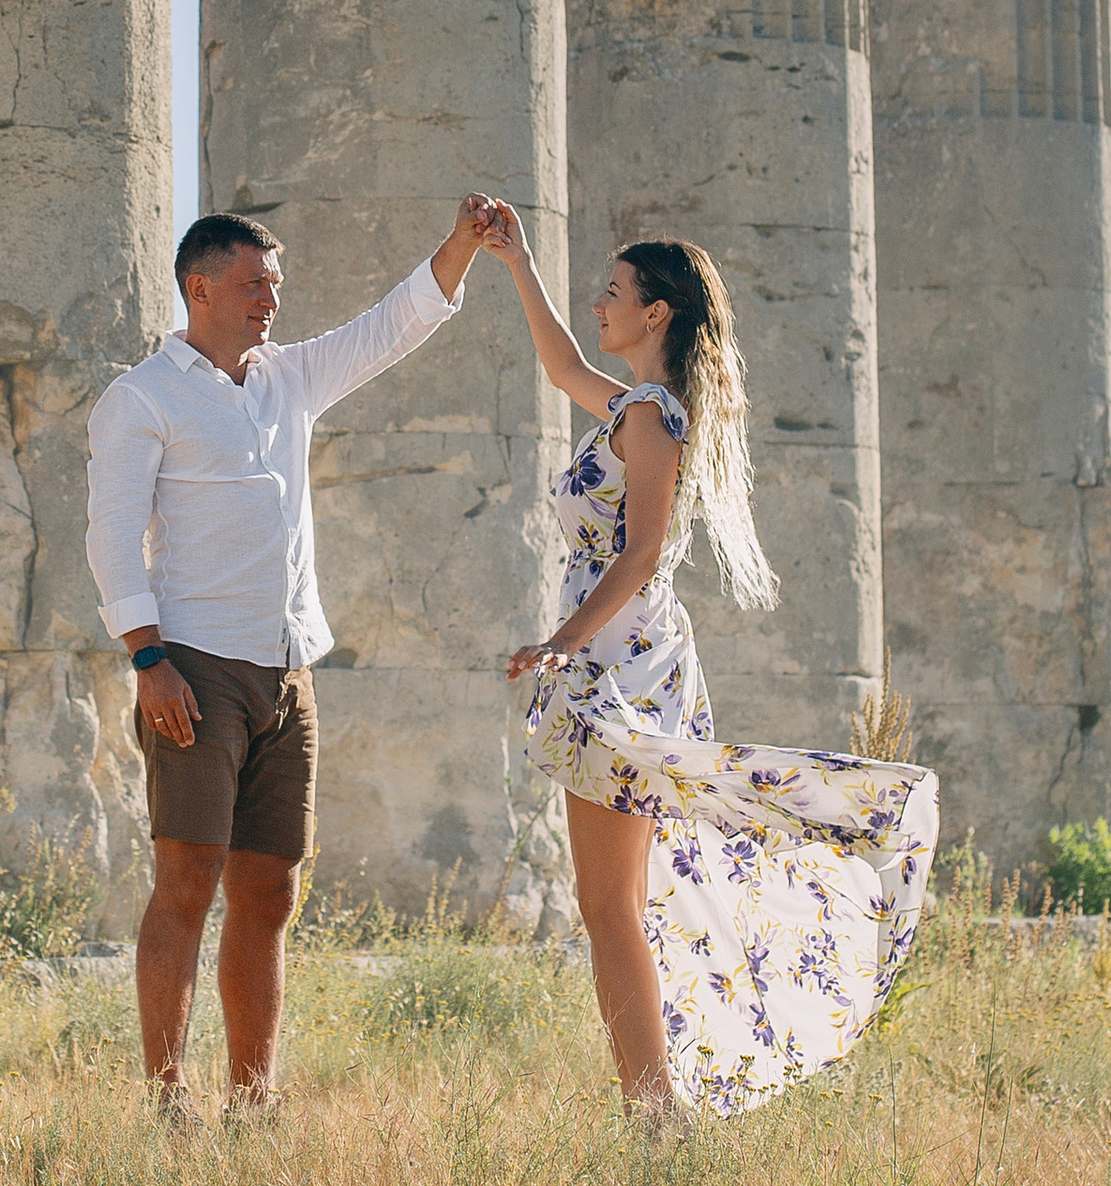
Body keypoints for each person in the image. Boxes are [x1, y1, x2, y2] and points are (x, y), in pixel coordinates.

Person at [474, 203, 939, 1121]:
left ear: (657, 314)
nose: (599, 303)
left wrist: (560, 645)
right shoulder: (640, 406)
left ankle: (656, 1114)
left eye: (613, 292)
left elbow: (640, 552)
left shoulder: (651, 420)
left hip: (617, 670)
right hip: (620, 662)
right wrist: (516, 261)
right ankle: (656, 1107)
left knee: (609, 903)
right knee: (617, 902)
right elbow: (563, 365)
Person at [86, 197, 499, 1114]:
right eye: (255, 284)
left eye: (276, 285)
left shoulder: (290, 377)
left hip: (289, 670)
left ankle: (253, 1100)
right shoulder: (140, 398)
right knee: (187, 884)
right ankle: (165, 1100)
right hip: (191, 666)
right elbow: (113, 538)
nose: (271, 300)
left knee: (270, 891)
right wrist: (147, 660)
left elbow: (389, 328)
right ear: (201, 286)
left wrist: (461, 246)